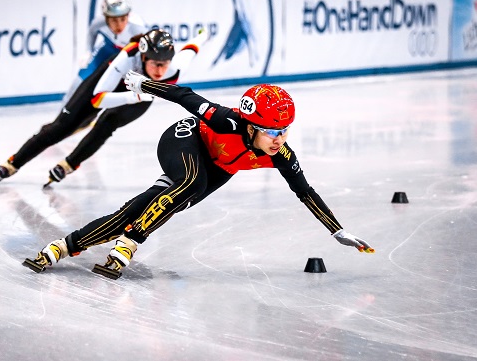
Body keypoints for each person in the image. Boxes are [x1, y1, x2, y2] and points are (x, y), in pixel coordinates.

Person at [22, 72, 375, 279]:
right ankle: (132, 241)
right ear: (251, 125)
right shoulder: (226, 120)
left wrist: (337, 230)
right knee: (192, 182)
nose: (279, 139)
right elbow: (184, 96)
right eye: (271, 131)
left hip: (218, 168)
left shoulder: (281, 154)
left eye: (284, 130)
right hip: (184, 139)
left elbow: (306, 192)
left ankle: (63, 246)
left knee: (144, 206)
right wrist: (146, 85)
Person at [0, 28, 209, 187]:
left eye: (164, 65)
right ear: (143, 56)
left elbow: (192, 47)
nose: (160, 71)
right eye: (154, 64)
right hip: (113, 86)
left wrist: (202, 35)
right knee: (61, 127)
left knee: (106, 125)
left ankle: (69, 164)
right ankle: (13, 163)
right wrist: (132, 97)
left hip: (140, 95)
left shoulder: (175, 68)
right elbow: (98, 99)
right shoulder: (127, 58)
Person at [78, 0, 147, 81]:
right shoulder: (99, 22)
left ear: (128, 16)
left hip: (129, 55)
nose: (119, 25)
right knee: (82, 77)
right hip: (108, 49)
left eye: (123, 19)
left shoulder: (138, 28)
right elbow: (92, 32)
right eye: (114, 20)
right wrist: (88, 51)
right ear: (106, 18)